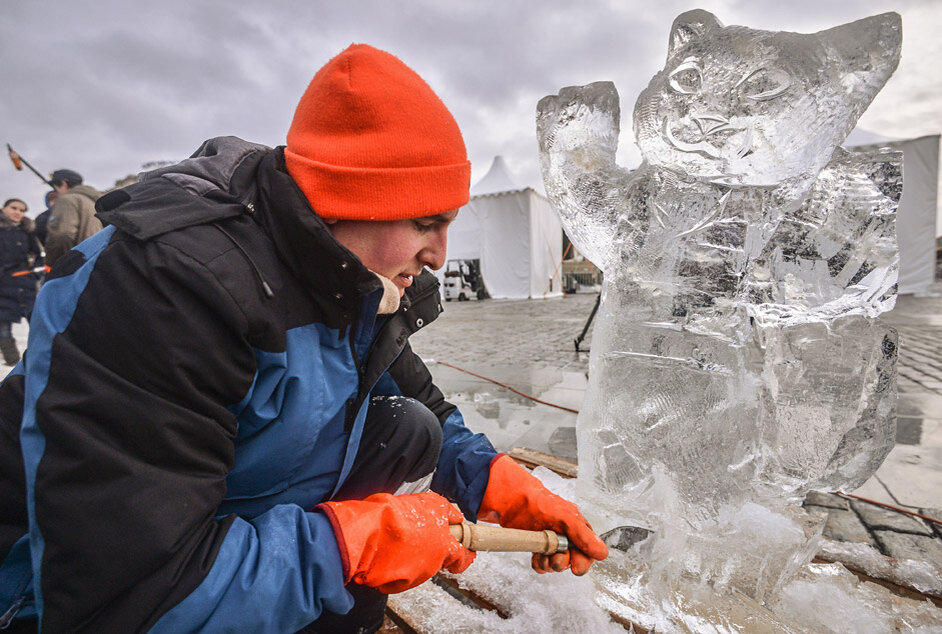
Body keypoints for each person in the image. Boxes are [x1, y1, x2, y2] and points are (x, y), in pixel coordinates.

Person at [0, 44, 607, 633]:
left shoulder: (355, 278)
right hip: (56, 589)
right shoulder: (168, 290)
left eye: (450, 223)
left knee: (410, 428)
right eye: (425, 223)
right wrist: (349, 545)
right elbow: (124, 600)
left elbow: (429, 408)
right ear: (349, 202)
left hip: (202, 524)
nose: (440, 255)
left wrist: (495, 480)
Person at [0, 199, 42, 367]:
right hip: (3, 285)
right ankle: (12, 362)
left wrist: (35, 273)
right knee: (3, 325)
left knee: (36, 321)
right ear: (4, 209)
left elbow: (39, 254)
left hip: (25, 283)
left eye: (22, 210)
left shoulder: (28, 231)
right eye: (14, 208)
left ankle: (37, 360)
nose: (18, 212)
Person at [43, 168, 102, 267]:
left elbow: (62, 235)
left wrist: (52, 264)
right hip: (95, 262)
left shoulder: (66, 200)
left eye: (55, 188)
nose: (56, 193)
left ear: (64, 183)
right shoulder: (94, 201)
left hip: (75, 266)